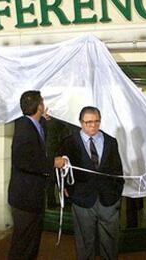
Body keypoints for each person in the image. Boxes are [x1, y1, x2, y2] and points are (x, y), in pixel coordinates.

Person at [59, 106, 124, 260]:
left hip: (108, 199)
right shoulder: (69, 142)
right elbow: (62, 169)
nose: (93, 125)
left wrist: (116, 192)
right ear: (81, 122)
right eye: (88, 122)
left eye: (96, 122)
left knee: (110, 241)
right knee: (85, 242)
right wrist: (66, 188)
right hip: (82, 199)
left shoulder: (111, 141)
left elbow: (117, 169)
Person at [8, 90, 66, 260]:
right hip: (25, 198)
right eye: (42, 102)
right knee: (22, 244)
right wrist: (52, 163)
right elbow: (23, 160)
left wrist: (43, 120)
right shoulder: (24, 129)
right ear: (39, 106)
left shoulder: (31, 124)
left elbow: (37, 146)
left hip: (32, 197)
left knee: (31, 243)